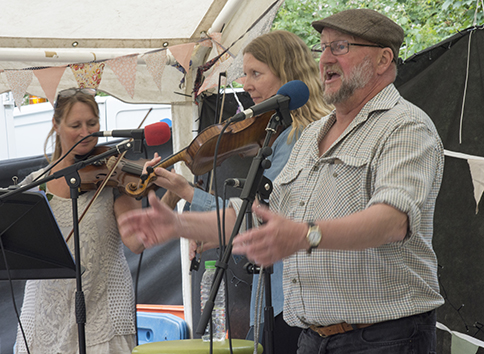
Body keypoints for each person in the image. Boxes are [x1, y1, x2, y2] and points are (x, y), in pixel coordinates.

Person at [118, 8, 445, 353]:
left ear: (383, 59)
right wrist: (180, 225)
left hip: (384, 338)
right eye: (323, 48)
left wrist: (305, 235)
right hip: (313, 338)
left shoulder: (406, 126)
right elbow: (259, 216)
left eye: (341, 47)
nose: (326, 59)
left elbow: (392, 221)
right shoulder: (312, 135)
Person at [137, 30, 332, 353]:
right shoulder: (282, 134)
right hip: (283, 297)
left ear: (289, 76)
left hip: (294, 300)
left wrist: (187, 191)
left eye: (256, 73)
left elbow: (271, 217)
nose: (245, 83)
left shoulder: (298, 138)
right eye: (244, 72)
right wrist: (222, 230)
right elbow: (261, 217)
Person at [14, 88, 143, 354]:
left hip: (102, 317)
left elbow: (138, 242)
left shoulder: (112, 176)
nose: (86, 133)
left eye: (92, 123)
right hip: (42, 319)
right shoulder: (34, 185)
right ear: (56, 125)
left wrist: (170, 197)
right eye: (76, 125)